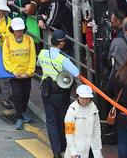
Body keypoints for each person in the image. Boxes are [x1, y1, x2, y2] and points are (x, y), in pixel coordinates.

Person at [38, 29, 80, 157]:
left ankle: (56, 152)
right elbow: (76, 72)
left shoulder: (42, 53)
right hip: (60, 93)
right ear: (61, 43)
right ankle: (65, 146)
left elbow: (38, 64)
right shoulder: (63, 59)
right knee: (64, 120)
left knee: (51, 121)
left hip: (46, 91)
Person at [3, 16, 37, 130]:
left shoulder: (29, 40)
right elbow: (6, 59)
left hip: (27, 73)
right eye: (17, 30)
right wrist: (14, 71)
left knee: (26, 93)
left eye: (20, 30)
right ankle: (19, 117)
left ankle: (23, 111)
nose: (19, 32)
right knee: (17, 94)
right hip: (15, 74)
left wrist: (29, 71)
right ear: (12, 29)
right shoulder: (7, 41)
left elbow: (32, 57)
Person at [63, 84, 103, 158]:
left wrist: (98, 147)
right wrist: (73, 152)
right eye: (82, 98)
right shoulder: (72, 110)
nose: (85, 101)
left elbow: (97, 129)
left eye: (87, 98)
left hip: (93, 148)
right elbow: (69, 133)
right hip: (77, 150)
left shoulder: (93, 109)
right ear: (77, 97)